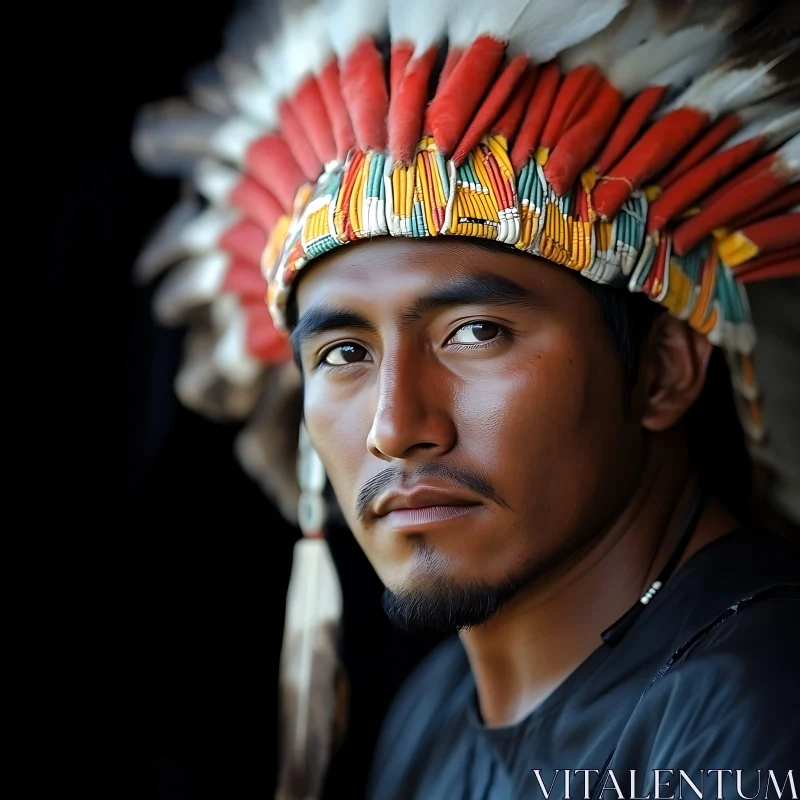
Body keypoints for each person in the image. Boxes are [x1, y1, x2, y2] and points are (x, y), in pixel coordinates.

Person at [134, 0, 799, 797]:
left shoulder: (757, 701)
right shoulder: (437, 707)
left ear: (663, 370)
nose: (395, 428)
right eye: (345, 352)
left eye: (476, 333)